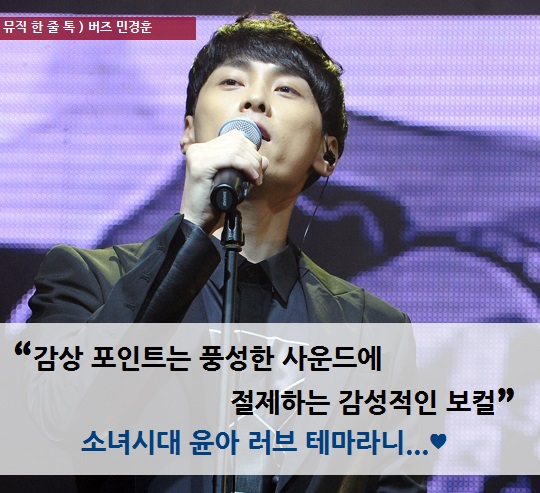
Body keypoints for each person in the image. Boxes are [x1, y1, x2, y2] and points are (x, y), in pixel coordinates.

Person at [28, 12, 426, 493]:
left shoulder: (375, 329)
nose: (255, 99)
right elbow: (56, 426)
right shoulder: (86, 279)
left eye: (286, 89)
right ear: (189, 132)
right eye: (232, 81)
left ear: (327, 153)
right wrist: (191, 228)